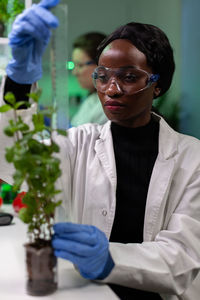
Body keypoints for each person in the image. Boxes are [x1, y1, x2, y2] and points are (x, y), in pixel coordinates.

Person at [1, 0, 200, 299]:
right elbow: (15, 159)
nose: (111, 89)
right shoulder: (77, 143)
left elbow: (183, 259)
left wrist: (109, 258)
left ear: (158, 85)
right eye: (103, 76)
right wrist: (18, 82)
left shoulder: (192, 158)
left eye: (129, 77)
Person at [70, 31, 107, 126]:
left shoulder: (106, 107)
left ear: (100, 65)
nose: (74, 72)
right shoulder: (92, 99)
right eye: (74, 65)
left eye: (80, 65)